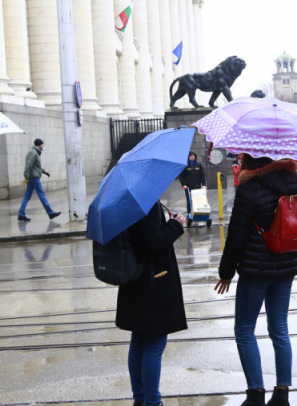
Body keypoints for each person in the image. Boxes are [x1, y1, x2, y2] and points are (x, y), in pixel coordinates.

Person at [215, 155, 297, 406]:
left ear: (251, 161)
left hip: (255, 270)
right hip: (285, 265)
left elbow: (236, 235)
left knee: (244, 330)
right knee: (280, 329)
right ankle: (282, 393)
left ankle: (255, 393)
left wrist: (226, 272)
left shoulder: (248, 190)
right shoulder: (292, 183)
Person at [117, 201, 188, 406]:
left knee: (139, 340)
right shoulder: (146, 203)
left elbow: (141, 236)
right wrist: (175, 225)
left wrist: (166, 221)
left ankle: (140, 399)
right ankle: (152, 401)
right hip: (152, 281)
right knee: (155, 344)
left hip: (135, 279)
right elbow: (152, 242)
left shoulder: (130, 203)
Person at [18, 138, 61, 221]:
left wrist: (44, 171)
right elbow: (28, 166)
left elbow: (35, 167)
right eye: (42, 145)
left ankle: (21, 214)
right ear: (39, 145)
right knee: (42, 195)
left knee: (27, 196)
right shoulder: (33, 153)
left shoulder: (34, 153)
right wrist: (26, 177)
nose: (43, 146)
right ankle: (50, 213)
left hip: (32, 177)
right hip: (33, 178)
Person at [178, 151, 206, 216]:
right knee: (189, 201)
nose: (192, 156)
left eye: (193, 155)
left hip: (197, 186)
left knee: (198, 200)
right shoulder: (185, 166)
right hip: (188, 187)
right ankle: (190, 213)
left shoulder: (199, 165)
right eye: (191, 155)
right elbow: (181, 177)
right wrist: (184, 184)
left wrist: (204, 184)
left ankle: (198, 213)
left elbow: (202, 175)